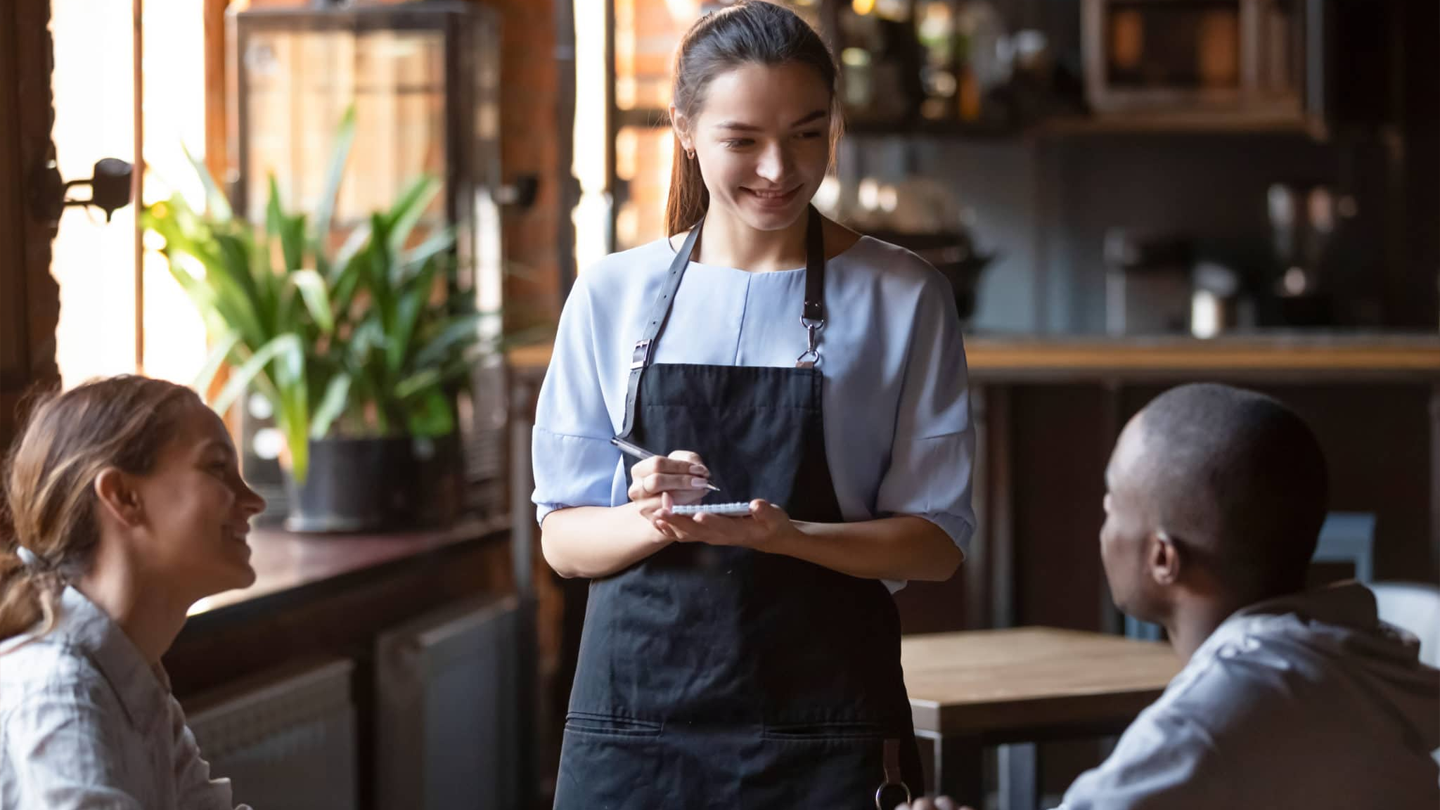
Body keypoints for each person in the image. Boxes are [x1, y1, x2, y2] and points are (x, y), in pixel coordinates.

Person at [532, 1, 975, 805]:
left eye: (807, 134)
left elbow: (935, 542)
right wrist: (650, 516)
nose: (779, 169)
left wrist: (788, 535)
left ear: (835, 128)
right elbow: (562, 538)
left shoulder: (904, 295)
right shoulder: (610, 294)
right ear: (686, 131)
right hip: (636, 734)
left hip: (827, 729)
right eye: (744, 141)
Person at [902, 383, 1440, 809]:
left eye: (1112, 505)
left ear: (1163, 558)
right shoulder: (1356, 660)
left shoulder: (1218, 712)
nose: (1103, 526)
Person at [0, 375, 266, 810]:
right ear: (124, 496)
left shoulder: (131, 676)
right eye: (218, 467)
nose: (254, 500)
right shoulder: (60, 692)